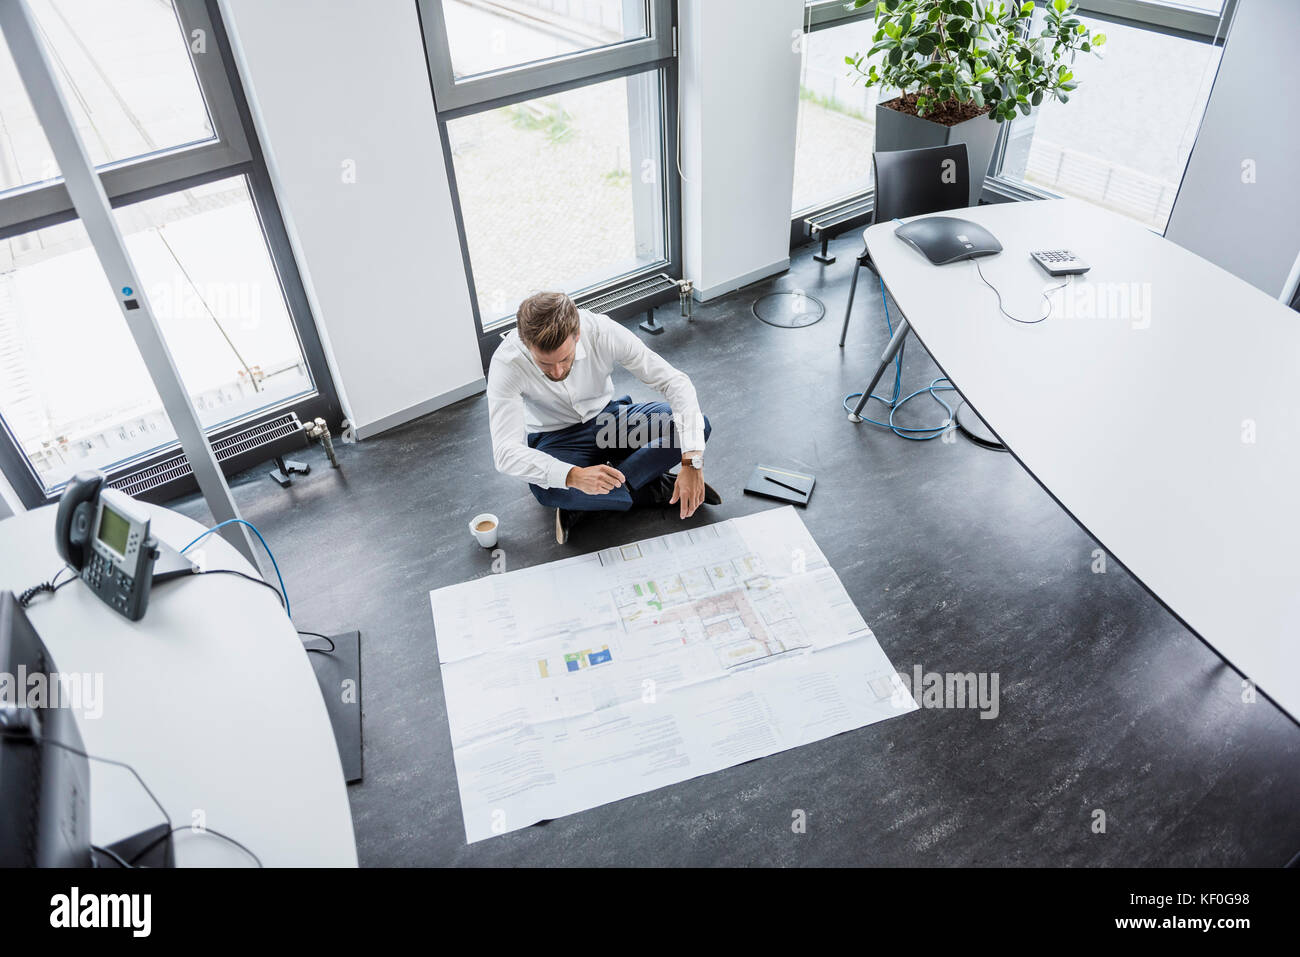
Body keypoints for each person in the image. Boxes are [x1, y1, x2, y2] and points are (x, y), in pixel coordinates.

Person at [487, 291, 719, 543]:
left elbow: (674, 383)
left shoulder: (602, 331)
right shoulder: (507, 362)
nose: (557, 371)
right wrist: (574, 476)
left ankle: (587, 503)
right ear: (525, 343)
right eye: (545, 364)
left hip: (610, 423)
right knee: (547, 489)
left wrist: (692, 463)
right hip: (556, 441)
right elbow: (505, 451)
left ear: (577, 335)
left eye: (565, 359)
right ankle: (656, 488)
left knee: (697, 426)